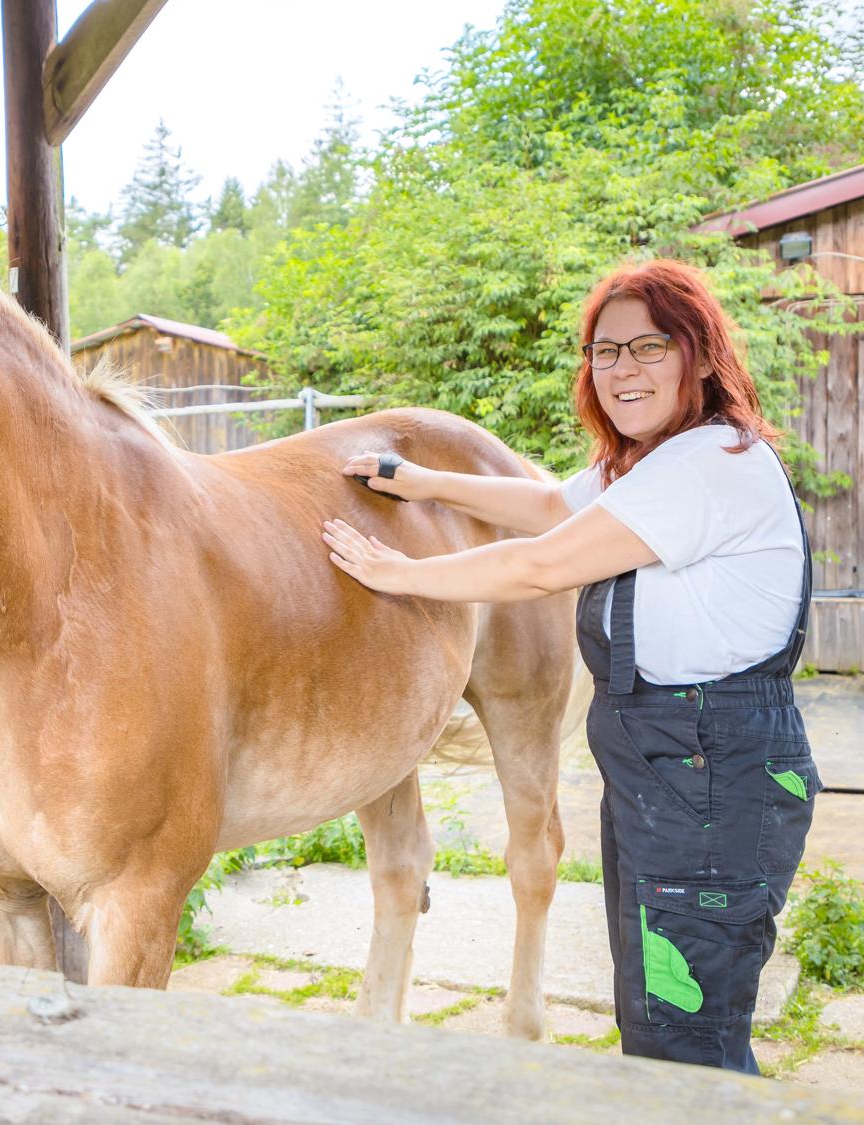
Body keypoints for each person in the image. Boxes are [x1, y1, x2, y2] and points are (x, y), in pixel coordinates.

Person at [321, 259, 817, 1073]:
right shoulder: (661, 461)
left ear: (698, 354)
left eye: (649, 346)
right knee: (658, 1018)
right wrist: (421, 481)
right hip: (670, 761)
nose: (623, 368)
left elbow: (540, 564)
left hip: (711, 765)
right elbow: (553, 503)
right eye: (605, 350)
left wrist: (399, 573)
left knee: (688, 1039)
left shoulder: (708, 464)